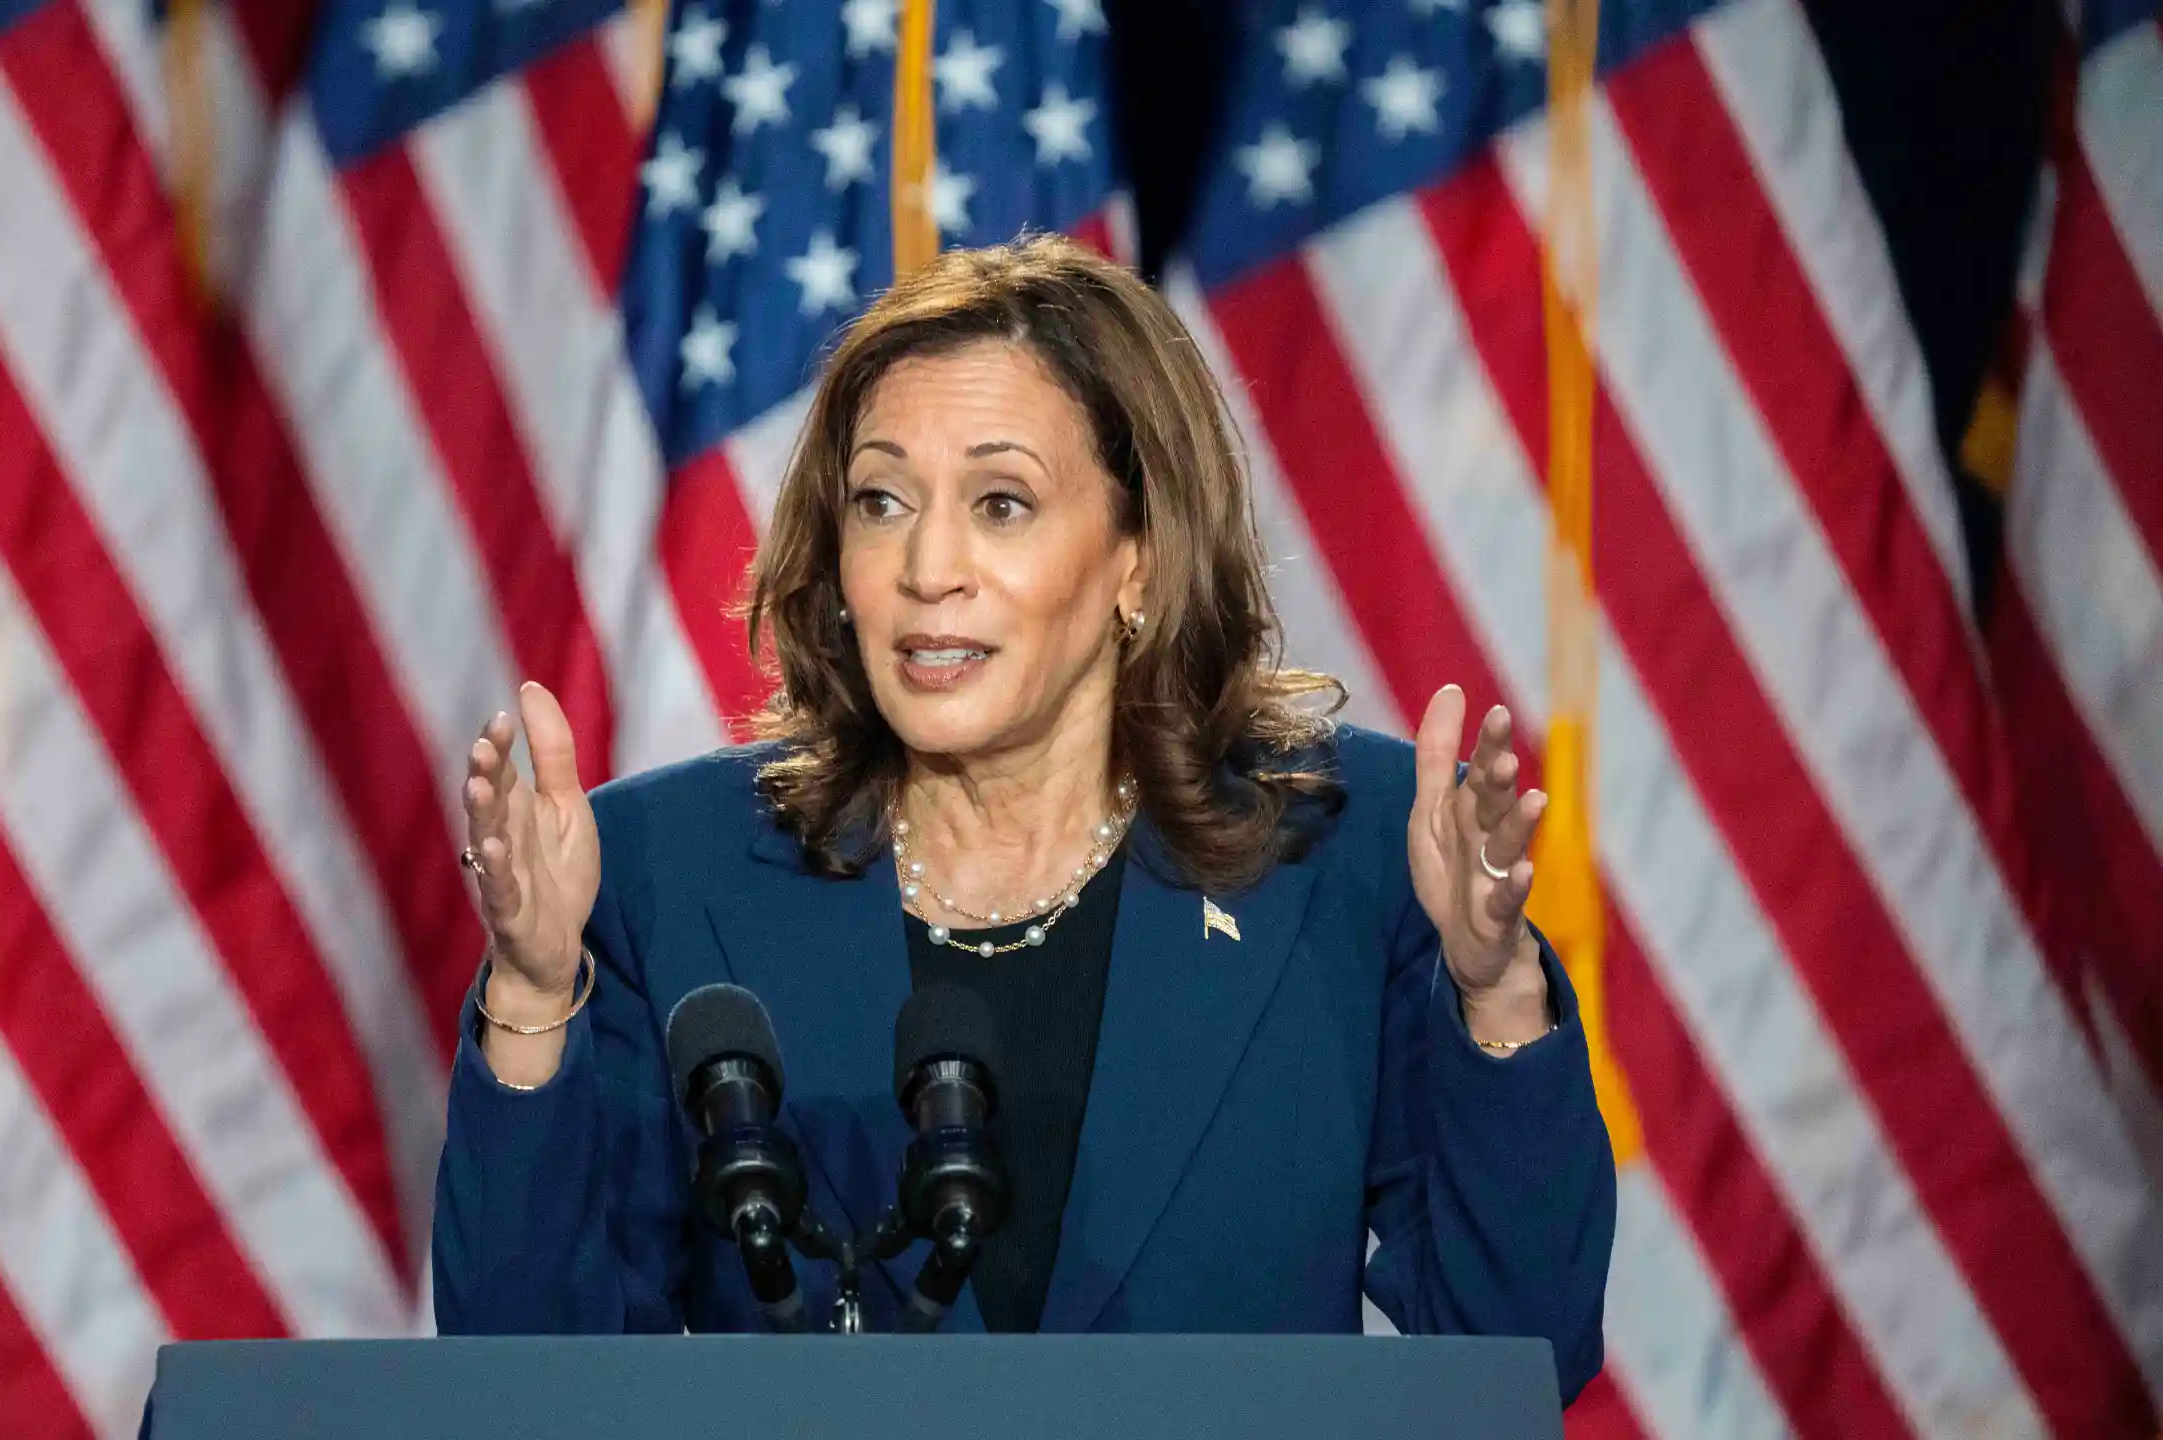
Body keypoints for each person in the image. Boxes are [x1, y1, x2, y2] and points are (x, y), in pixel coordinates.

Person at [434, 236, 1613, 1400]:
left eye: (1001, 503)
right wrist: (533, 997)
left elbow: (1519, 1351)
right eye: (881, 501)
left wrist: (1495, 992)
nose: (927, 566)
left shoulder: (1345, 852)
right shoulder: (666, 873)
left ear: (1139, 558)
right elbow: (527, 1389)